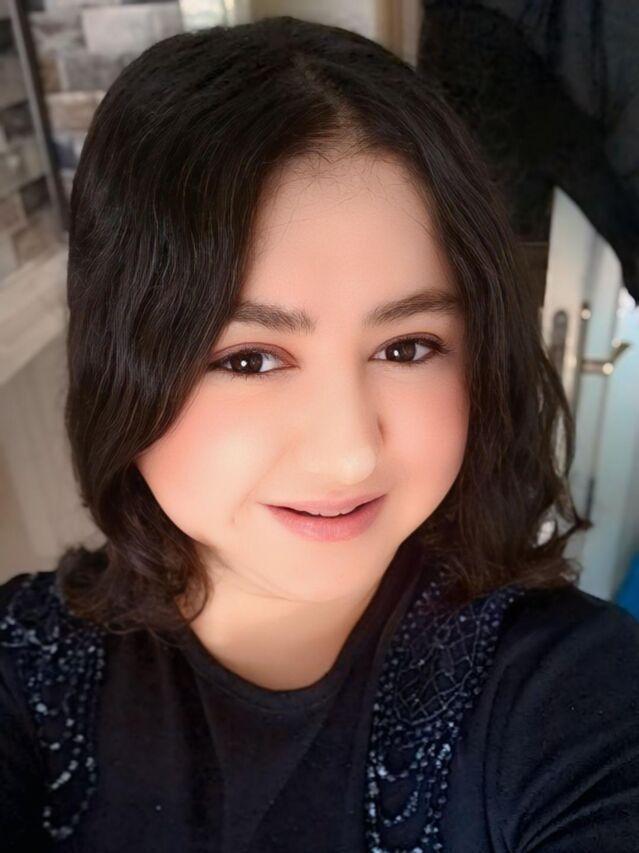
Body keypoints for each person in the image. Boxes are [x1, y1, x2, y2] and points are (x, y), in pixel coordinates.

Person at [1, 15, 638, 853]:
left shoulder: (572, 692)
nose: (349, 453)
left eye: (407, 347)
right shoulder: (23, 670)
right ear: (118, 361)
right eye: (250, 359)